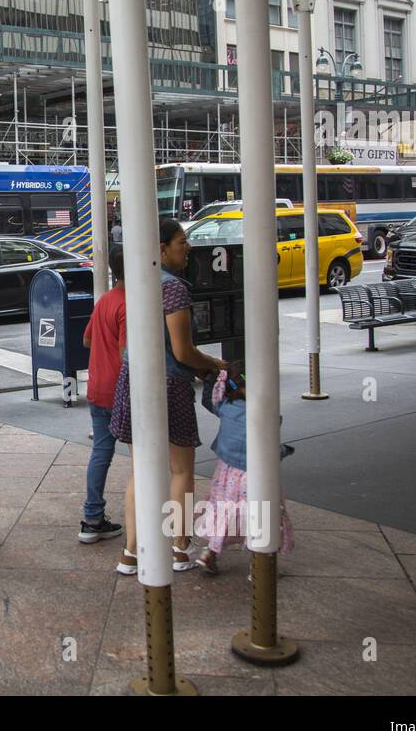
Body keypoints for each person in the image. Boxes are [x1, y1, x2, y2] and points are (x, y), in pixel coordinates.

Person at [116, 219, 226, 576]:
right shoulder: (174, 289)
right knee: (180, 470)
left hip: (133, 378)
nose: (188, 248)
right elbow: (182, 350)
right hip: (168, 384)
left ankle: (131, 554)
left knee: (140, 471)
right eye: (182, 242)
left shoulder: (140, 283)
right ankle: (179, 547)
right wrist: (212, 363)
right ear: (162, 248)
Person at [194, 364, 294, 574]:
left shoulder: (224, 406)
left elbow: (209, 401)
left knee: (224, 511)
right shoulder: (265, 414)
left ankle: (209, 553)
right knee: (261, 514)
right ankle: (262, 568)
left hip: (225, 473)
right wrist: (284, 451)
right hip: (255, 474)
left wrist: (211, 377)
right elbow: (271, 447)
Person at [78, 244, 126, 544]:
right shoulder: (129, 304)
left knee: (101, 454)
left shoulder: (106, 300)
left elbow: (86, 341)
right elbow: (127, 353)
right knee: (148, 455)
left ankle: (92, 517)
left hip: (97, 388)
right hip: (121, 390)